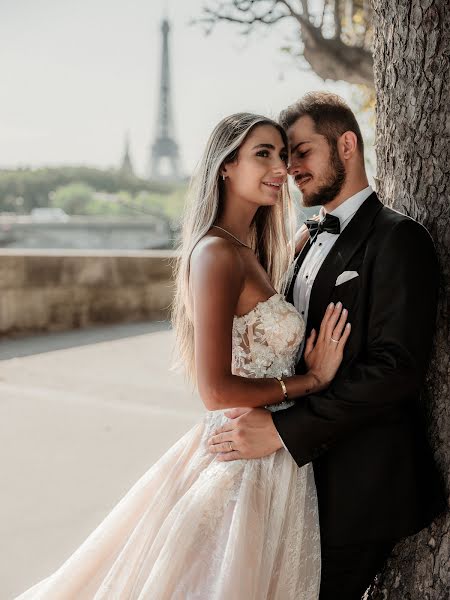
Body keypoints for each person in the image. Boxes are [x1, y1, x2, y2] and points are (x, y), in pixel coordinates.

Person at [15, 113, 352, 599]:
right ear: (225, 167)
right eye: (264, 154)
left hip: (273, 455)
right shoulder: (216, 253)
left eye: (283, 154)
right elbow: (214, 390)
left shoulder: (249, 249)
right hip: (243, 456)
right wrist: (311, 381)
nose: (280, 167)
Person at [208, 93, 446, 600]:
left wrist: (282, 429)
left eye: (302, 152)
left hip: (359, 486)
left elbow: (395, 371)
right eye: (281, 155)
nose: (290, 168)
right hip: (296, 482)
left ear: (347, 145)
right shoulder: (304, 239)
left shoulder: (400, 239)